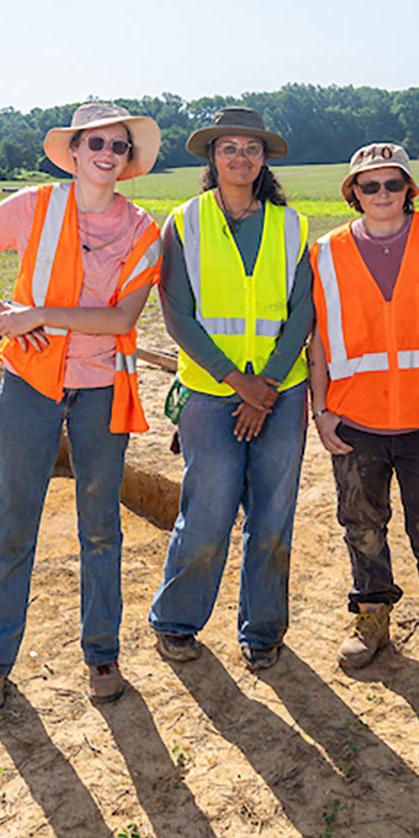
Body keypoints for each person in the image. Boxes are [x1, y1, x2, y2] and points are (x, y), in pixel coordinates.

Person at [0, 102, 162, 712]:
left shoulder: (143, 229)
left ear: (128, 160)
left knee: (101, 528)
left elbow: (121, 319)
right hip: (30, 386)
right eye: (96, 144)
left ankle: (102, 654)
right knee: (15, 525)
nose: (107, 155)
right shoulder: (34, 205)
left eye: (118, 146)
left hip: (102, 389)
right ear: (75, 152)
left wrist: (37, 314)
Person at [309, 143, 419, 720]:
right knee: (362, 527)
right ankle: (373, 616)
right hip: (355, 422)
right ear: (352, 193)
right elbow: (318, 338)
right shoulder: (326, 252)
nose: (381, 194)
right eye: (369, 185)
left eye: (393, 184)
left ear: (410, 189)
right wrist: (320, 408)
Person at [148, 107, 312, 671]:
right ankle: (175, 621)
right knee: (207, 513)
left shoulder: (293, 226)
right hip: (211, 393)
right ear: (212, 157)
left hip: (281, 393)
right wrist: (239, 382)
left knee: (273, 517)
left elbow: (302, 312)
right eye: (229, 148)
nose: (241, 157)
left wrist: (266, 387)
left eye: (251, 148)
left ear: (264, 159)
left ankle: (262, 630)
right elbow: (177, 314)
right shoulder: (184, 223)